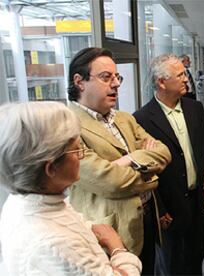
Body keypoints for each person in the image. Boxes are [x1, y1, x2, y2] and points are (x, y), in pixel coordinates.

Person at [0, 101, 142, 275]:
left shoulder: (28, 201)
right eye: (76, 151)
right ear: (51, 168)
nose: (81, 157)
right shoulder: (56, 243)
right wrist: (117, 249)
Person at [67, 47, 171, 274]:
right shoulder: (67, 126)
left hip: (146, 219)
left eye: (117, 77)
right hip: (111, 233)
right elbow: (109, 181)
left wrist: (129, 159)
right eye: (106, 77)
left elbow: (164, 152)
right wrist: (149, 173)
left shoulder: (124, 118)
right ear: (79, 81)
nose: (116, 84)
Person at [133, 54, 204, 276]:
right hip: (168, 209)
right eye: (180, 75)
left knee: (197, 257)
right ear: (161, 82)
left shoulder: (195, 109)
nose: (186, 78)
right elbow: (144, 172)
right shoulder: (141, 119)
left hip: (197, 203)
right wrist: (160, 208)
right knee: (172, 265)